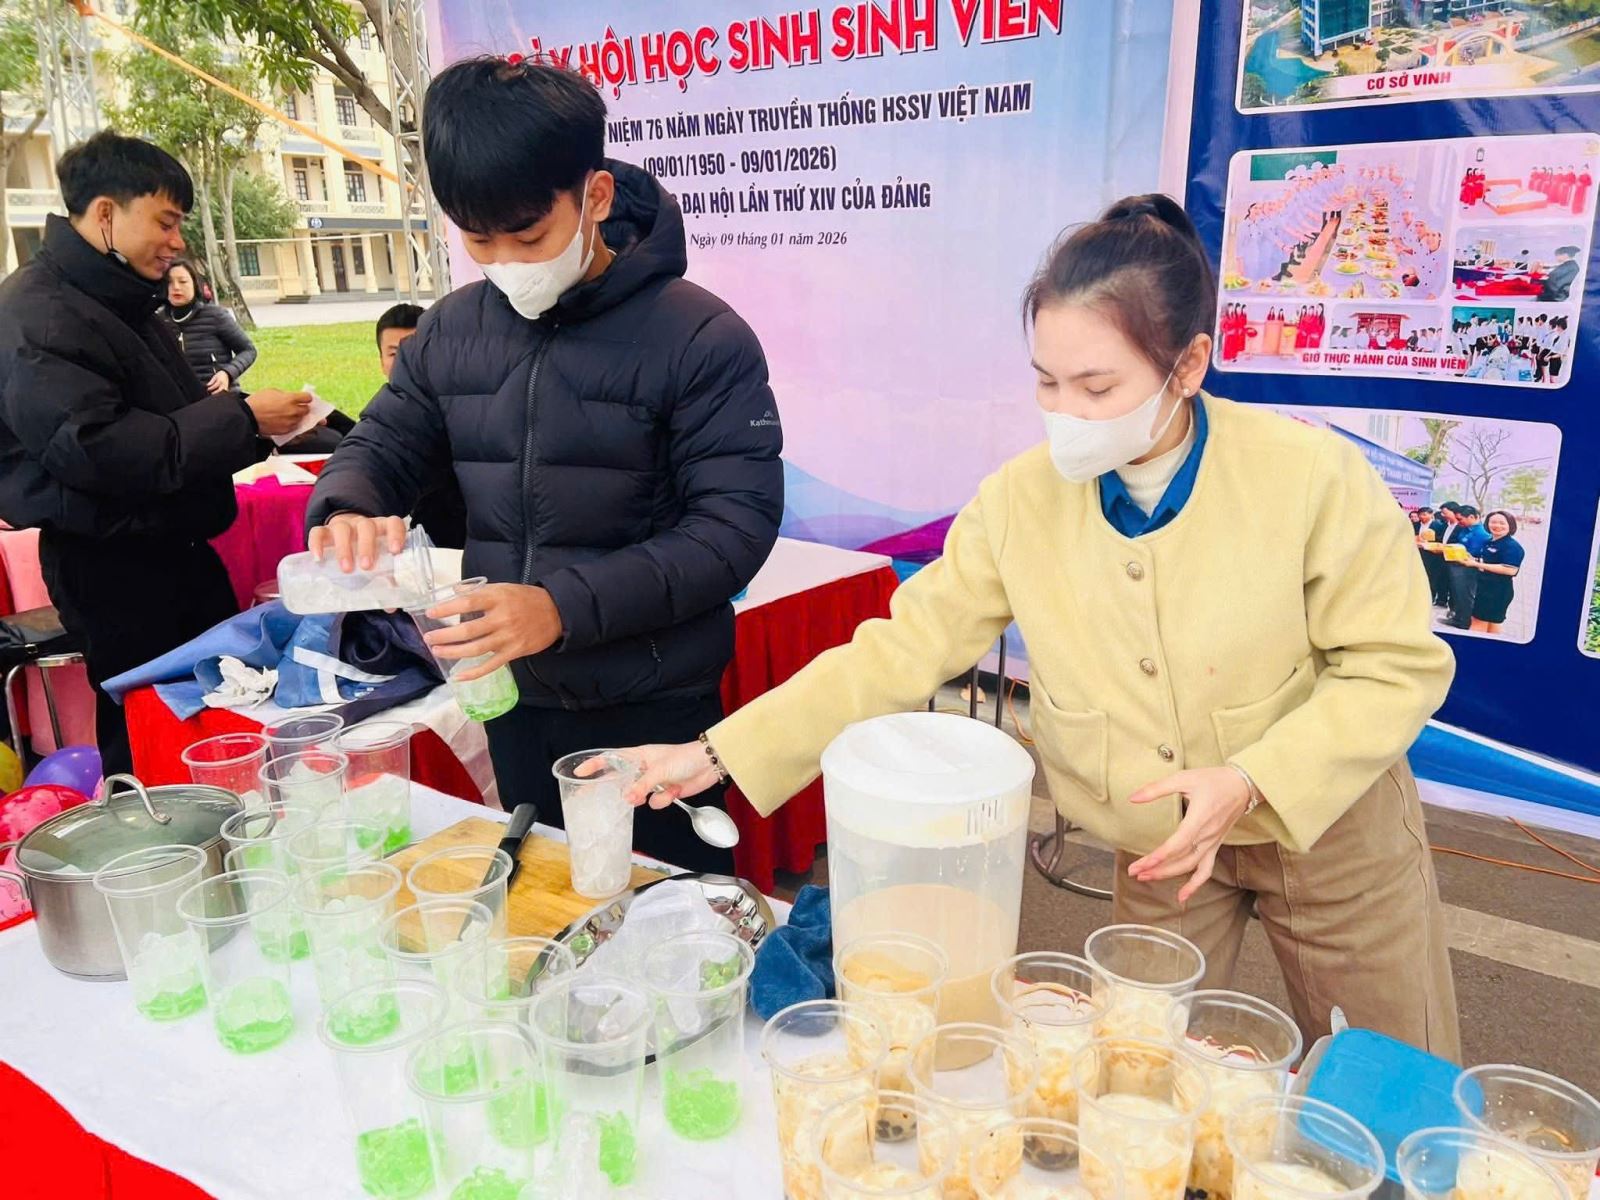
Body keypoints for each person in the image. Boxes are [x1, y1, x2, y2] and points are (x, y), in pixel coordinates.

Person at [612, 194, 1460, 1057]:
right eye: (1047, 382)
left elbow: (1395, 666)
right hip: (1156, 842)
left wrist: (1250, 780)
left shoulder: (1309, 478)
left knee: (1389, 1075)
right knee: (1136, 1067)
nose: (1067, 413)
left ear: (1189, 365)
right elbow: (899, 650)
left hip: (1331, 829)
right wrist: (716, 754)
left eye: (1098, 386)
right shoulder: (1020, 499)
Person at [305, 59, 783, 874]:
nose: (504, 261)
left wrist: (561, 607)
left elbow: (731, 530)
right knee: (540, 892)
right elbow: (381, 444)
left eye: (528, 237)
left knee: (664, 904)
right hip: (512, 695)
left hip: (653, 700)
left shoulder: (700, 338)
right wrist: (348, 503)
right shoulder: (453, 331)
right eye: (477, 238)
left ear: (595, 197)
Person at [0, 132, 312, 774]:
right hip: (114, 567)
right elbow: (99, 449)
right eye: (165, 222)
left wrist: (250, 424)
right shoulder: (41, 314)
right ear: (106, 213)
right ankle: (150, 831)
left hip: (174, 547)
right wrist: (242, 417)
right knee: (148, 735)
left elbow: (171, 417)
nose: (176, 242)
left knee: (215, 726)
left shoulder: (117, 299)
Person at [372, 302, 466, 550]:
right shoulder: (382, 415)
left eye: (414, 353)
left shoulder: (463, 404)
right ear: (381, 361)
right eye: (394, 354)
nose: (405, 363)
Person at [158, 259, 256, 394]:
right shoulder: (158, 320)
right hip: (179, 399)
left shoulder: (215, 315)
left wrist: (227, 373)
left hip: (217, 396)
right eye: (169, 282)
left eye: (183, 281)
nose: (176, 287)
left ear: (195, 284)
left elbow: (248, 350)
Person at [1470, 511, 1525, 635]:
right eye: (1493, 522)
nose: (1497, 526)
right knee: (1492, 624)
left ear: (1510, 525)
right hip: (1484, 587)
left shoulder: (1512, 546)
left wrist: (1477, 565)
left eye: (1502, 523)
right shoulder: (1488, 541)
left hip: (1497, 592)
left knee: (1478, 622)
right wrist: (1472, 559)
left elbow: (1510, 570)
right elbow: (1486, 560)